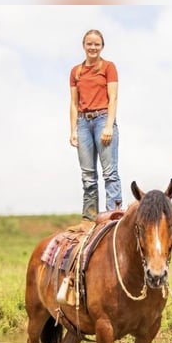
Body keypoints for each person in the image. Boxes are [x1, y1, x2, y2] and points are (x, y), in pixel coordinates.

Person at [69, 29, 122, 222]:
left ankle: (112, 217)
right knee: (88, 176)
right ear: (84, 45)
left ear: (102, 46)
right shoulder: (76, 71)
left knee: (110, 173)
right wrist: (73, 130)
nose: (93, 47)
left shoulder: (108, 67)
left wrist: (109, 126)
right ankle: (89, 219)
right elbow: (74, 103)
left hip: (103, 119)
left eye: (97, 44)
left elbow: (113, 98)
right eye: (89, 44)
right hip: (83, 122)